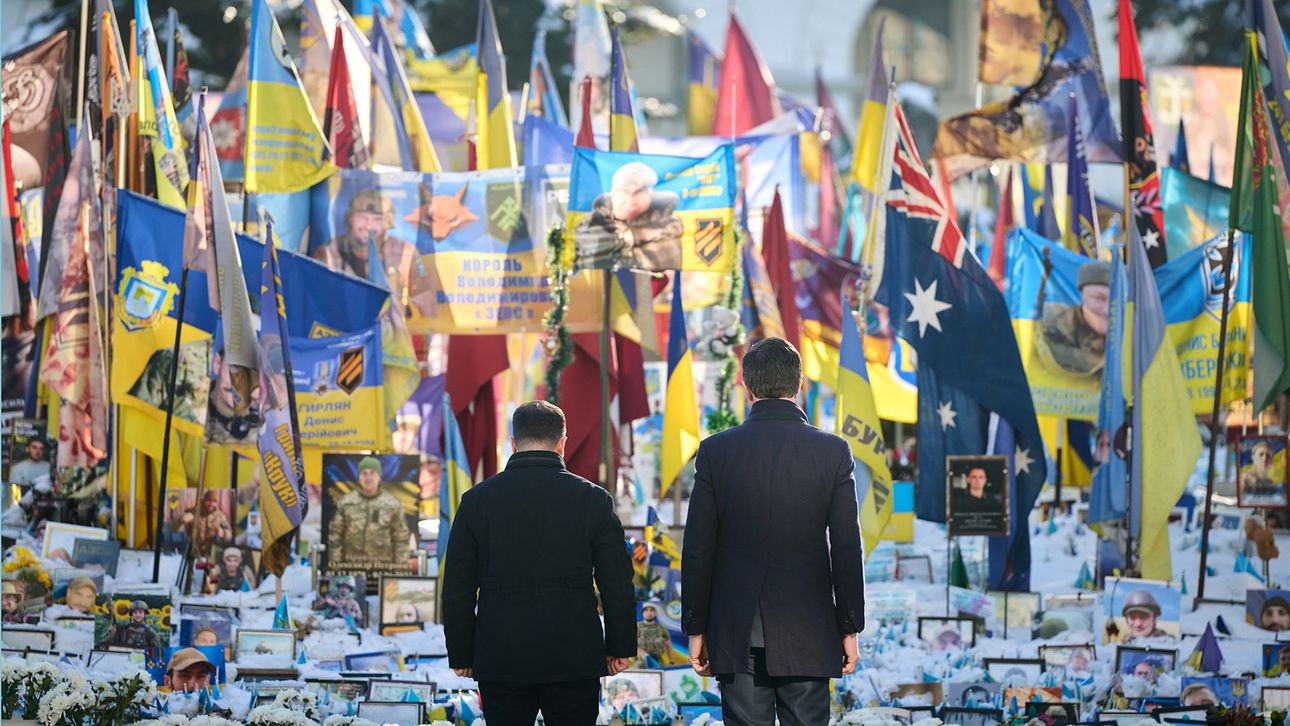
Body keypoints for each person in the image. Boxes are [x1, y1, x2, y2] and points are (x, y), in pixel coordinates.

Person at [682, 338, 864, 725]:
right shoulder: (832, 451)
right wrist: (850, 626)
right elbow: (847, 548)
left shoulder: (716, 451)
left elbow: (698, 547)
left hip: (736, 630)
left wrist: (695, 626)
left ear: (747, 386)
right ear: (799, 385)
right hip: (808, 629)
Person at [442, 401, 635, 725]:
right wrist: (620, 645)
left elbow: (457, 587)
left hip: (502, 653)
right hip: (574, 654)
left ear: (513, 443)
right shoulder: (593, 499)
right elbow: (616, 581)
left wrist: (461, 652)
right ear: (562, 442)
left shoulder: (477, 501)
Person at [315, 189, 427, 301]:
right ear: (350, 218)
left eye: (378, 219)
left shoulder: (405, 251)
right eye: (362, 217)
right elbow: (317, 299)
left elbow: (425, 301)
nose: (369, 226)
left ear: (388, 222)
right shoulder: (329, 251)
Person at [574, 161, 683, 270]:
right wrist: (635, 235)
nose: (630, 200)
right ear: (613, 194)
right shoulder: (590, 222)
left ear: (651, 196)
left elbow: (659, 261)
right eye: (623, 191)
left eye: (640, 192)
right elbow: (582, 246)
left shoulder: (669, 226)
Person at [327, 457, 413, 573]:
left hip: (383, 569)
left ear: (379, 477)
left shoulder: (392, 504)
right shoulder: (346, 502)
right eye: (364, 473)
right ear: (359, 478)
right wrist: (336, 566)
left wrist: (399, 570)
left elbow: (400, 539)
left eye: (372, 473)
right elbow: (335, 535)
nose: (368, 478)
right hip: (352, 569)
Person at [1036, 260, 1110, 378]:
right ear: (1082, 295)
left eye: (1117, 299)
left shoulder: (1136, 327)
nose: (1107, 309)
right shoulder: (1055, 323)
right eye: (1098, 298)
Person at [187, 491, 232, 557]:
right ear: (204, 500)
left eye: (214, 501)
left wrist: (223, 533)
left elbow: (229, 534)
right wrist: (181, 521)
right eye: (208, 500)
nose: (211, 504)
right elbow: (174, 528)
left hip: (211, 554)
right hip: (193, 553)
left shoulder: (220, 516)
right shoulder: (193, 512)